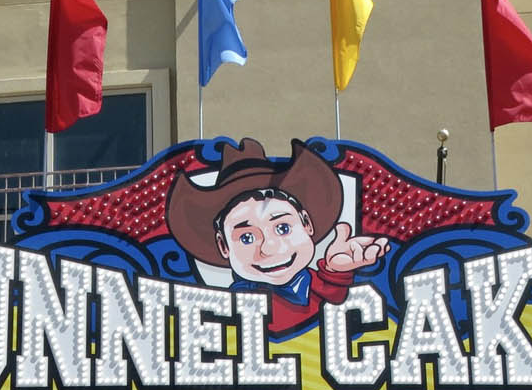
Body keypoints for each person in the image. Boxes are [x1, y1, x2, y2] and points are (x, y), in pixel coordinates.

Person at [165, 138, 389, 334]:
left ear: (307, 223)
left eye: (283, 228)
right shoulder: (236, 305)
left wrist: (335, 272)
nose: (269, 248)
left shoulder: (320, 284)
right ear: (223, 246)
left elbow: (332, 299)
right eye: (247, 238)